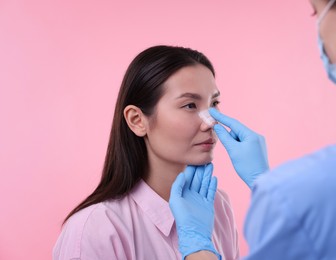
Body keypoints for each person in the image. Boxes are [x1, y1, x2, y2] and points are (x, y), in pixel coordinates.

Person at [168, 0, 336, 259]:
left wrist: (197, 246)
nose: (209, 121)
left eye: (316, 12)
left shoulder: (297, 199)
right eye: (190, 105)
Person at [53, 45, 239, 260]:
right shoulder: (96, 229)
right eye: (189, 105)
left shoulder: (218, 207)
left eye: (214, 103)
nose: (211, 121)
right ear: (137, 120)